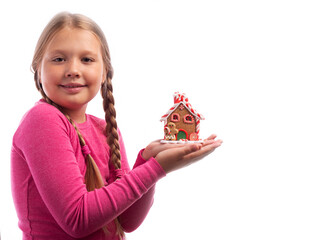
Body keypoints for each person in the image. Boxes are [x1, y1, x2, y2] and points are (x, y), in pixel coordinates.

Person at [11, 12, 222, 240]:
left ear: (104, 73)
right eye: (59, 59)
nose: (73, 69)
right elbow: (77, 219)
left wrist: (147, 161)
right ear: (38, 69)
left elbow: (127, 221)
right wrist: (156, 169)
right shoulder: (42, 119)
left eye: (87, 59)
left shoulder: (105, 130)